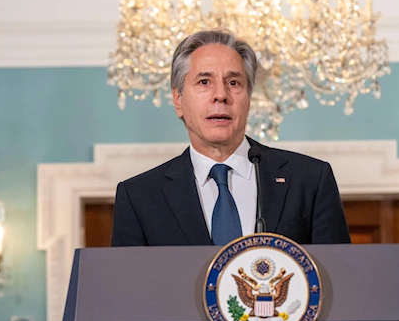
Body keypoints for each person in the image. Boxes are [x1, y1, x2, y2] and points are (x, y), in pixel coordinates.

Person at [111, 29, 351, 246]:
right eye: (204, 82)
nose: (221, 95)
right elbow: (127, 290)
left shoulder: (309, 180)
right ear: (178, 99)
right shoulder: (139, 197)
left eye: (233, 82)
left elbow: (339, 281)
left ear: (248, 98)